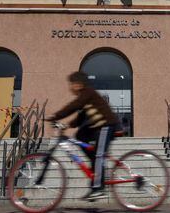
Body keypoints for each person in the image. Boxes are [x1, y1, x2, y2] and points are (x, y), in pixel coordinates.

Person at [47, 71, 120, 201]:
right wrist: (66, 125)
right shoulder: (86, 98)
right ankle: (95, 178)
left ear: (78, 84)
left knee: (98, 154)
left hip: (106, 125)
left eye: (71, 84)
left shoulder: (88, 93)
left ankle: (98, 188)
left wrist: (56, 116)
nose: (70, 87)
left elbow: (74, 106)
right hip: (98, 127)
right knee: (80, 136)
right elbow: (80, 118)